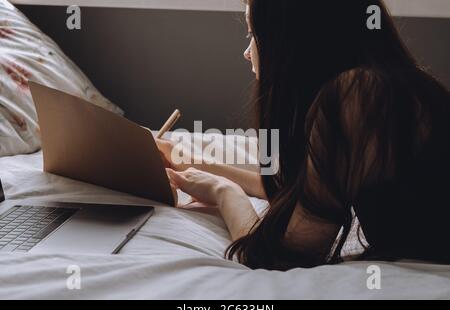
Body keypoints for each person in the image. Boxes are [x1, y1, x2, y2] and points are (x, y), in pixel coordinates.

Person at [157, 0, 450, 270]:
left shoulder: (359, 96)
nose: (248, 51)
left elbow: (286, 253)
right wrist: (186, 162)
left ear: (293, 38)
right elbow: (293, 185)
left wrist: (224, 192)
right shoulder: (382, 83)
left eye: (254, 35)